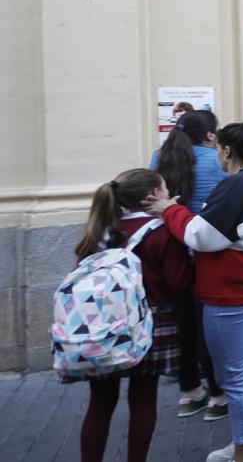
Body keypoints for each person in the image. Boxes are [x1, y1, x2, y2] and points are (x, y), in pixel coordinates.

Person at [144, 118, 243, 462]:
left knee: (235, 376)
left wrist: (169, 210)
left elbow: (201, 237)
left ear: (227, 150)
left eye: (218, 148)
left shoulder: (237, 185)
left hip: (228, 290)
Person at [71, 169, 192, 462]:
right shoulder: (161, 231)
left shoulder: (99, 231)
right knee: (142, 399)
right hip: (148, 322)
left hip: (101, 325)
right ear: (153, 195)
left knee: (99, 403)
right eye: (164, 189)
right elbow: (178, 282)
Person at [148, 110, 229, 419]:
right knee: (207, 328)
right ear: (210, 135)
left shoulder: (159, 158)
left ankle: (189, 392)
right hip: (204, 255)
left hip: (169, 256)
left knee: (181, 326)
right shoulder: (213, 161)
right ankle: (218, 395)